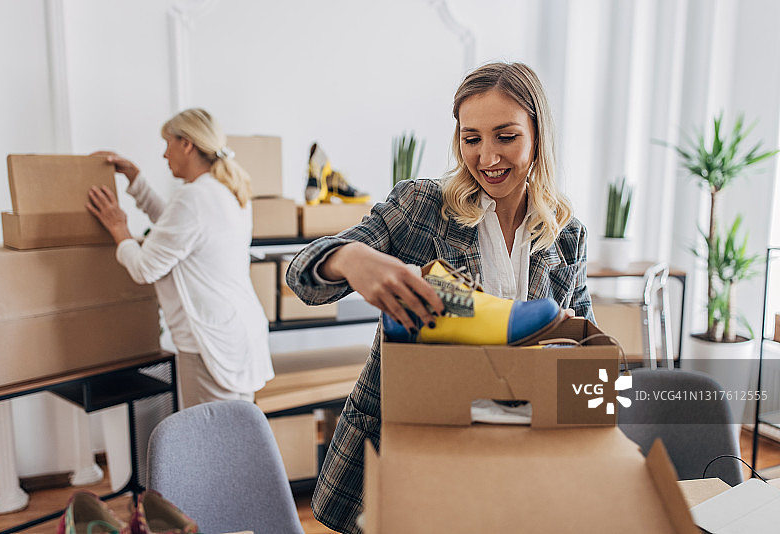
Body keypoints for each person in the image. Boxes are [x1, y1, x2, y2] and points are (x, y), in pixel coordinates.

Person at [285, 62, 595, 533]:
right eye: (472, 139)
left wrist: (567, 349)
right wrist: (350, 258)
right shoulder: (425, 208)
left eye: (505, 136)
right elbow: (302, 275)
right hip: (421, 446)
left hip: (518, 450)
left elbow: (590, 355)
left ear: (537, 133)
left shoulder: (566, 234)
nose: (488, 157)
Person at [87, 108, 273, 410]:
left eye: (167, 143)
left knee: (209, 447)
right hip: (237, 335)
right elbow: (177, 233)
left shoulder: (194, 198)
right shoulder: (225, 190)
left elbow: (145, 267)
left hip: (208, 345)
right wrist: (136, 180)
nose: (164, 154)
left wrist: (119, 228)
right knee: (237, 440)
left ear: (186, 144)